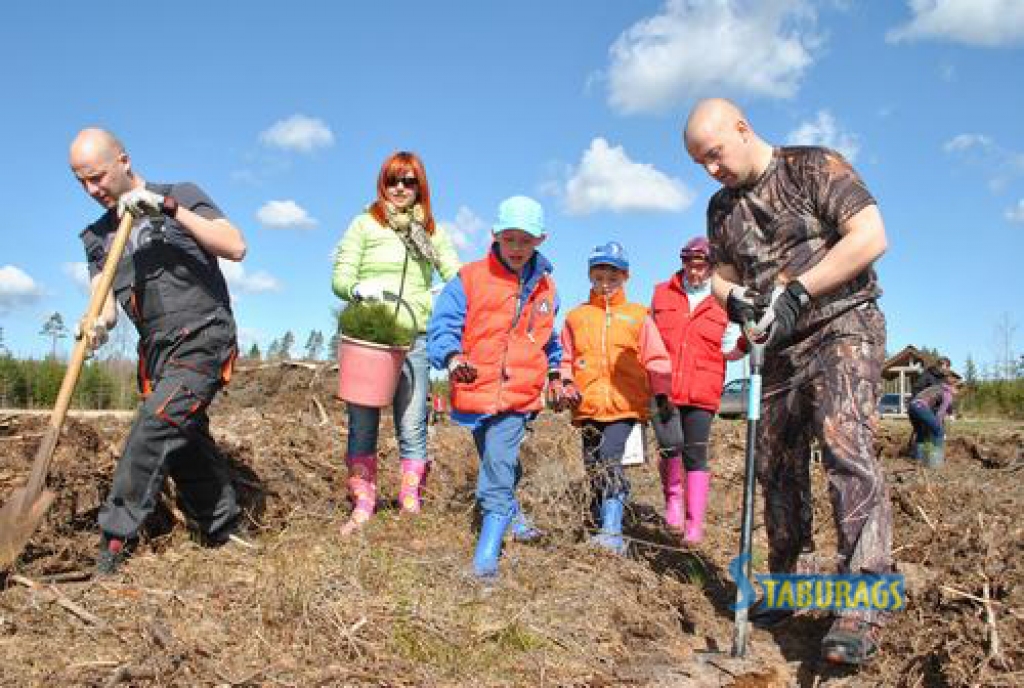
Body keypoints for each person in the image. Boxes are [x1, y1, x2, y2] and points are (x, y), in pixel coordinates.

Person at [684, 98, 892, 666]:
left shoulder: (813, 166)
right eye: (700, 162)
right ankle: (787, 585)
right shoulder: (720, 208)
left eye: (715, 154)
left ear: (742, 130)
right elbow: (722, 279)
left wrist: (800, 290)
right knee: (774, 464)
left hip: (841, 325)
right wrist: (740, 300)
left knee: (844, 442)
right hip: (776, 346)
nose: (711, 169)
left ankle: (864, 603)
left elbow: (870, 236)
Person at [69, 128, 245, 575]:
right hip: (157, 352)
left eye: (98, 177)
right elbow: (103, 304)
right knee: (183, 438)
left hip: (205, 334)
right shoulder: (96, 237)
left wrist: (165, 208)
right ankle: (223, 529)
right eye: (81, 182)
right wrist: (95, 325)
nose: (93, 190)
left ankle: (112, 542)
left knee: (155, 425)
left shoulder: (179, 195)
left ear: (123, 161)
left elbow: (235, 245)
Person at [427, 195, 567, 579]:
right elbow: (443, 326)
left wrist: (556, 373)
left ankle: (486, 556)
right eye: (511, 239)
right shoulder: (469, 278)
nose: (518, 248)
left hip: (519, 394)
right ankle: (516, 517)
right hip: (476, 391)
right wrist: (453, 359)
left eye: (526, 240)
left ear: (540, 240)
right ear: (495, 236)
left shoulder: (547, 289)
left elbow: (549, 340)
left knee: (498, 463)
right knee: (496, 459)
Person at [332, 151, 461, 534]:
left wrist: (450, 294)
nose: (400, 188)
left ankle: (410, 502)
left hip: (414, 338)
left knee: (413, 422)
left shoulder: (432, 231)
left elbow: (455, 274)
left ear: (421, 186)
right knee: (361, 421)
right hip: (367, 338)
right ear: (382, 184)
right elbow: (340, 277)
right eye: (393, 180)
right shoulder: (364, 224)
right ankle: (363, 501)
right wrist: (358, 288)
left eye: (409, 181)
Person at [557, 242, 671, 555]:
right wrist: (566, 382)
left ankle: (612, 530)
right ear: (590, 276)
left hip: (625, 405)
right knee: (593, 466)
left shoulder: (638, 315)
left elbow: (656, 356)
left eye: (613, 275)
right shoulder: (576, 317)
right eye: (599, 274)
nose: (605, 282)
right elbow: (566, 358)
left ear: (625, 277)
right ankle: (596, 522)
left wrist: (661, 393)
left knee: (610, 460)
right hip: (588, 406)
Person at [649, 236, 746, 543]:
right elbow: (648, 339)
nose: (695, 272)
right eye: (690, 265)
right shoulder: (661, 294)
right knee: (669, 445)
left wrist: (748, 342)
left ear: (712, 268)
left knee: (695, 454)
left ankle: (694, 522)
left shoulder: (725, 301)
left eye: (702, 266)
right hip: (663, 388)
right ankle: (674, 501)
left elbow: (730, 348)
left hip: (703, 391)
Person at [907, 377, 956, 467]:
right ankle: (935, 462)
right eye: (957, 389)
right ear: (953, 387)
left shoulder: (937, 388)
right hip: (921, 407)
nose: (957, 392)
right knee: (938, 431)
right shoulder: (947, 394)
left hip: (911, 406)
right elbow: (940, 414)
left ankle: (919, 459)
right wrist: (940, 430)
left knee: (921, 433)